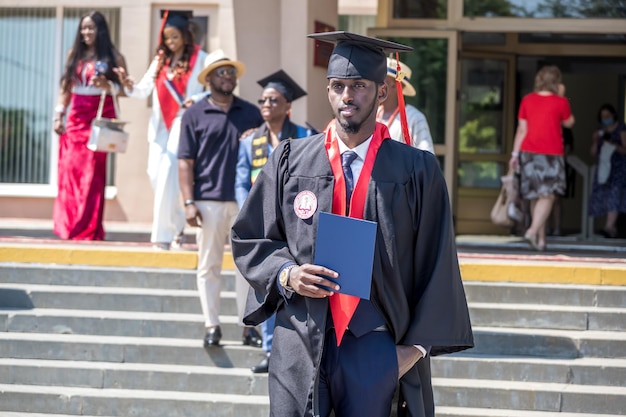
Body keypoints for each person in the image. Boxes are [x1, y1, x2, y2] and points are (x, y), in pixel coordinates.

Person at [231, 31, 473, 417]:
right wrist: (287, 274)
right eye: (338, 86)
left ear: (381, 92)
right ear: (328, 91)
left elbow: (438, 261)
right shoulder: (291, 160)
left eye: (359, 86)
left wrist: (411, 352)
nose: (347, 96)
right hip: (300, 342)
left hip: (374, 347)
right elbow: (250, 236)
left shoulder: (415, 170)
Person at [178, 50, 263, 348]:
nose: (228, 77)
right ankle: (211, 325)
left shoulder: (252, 113)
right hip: (207, 202)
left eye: (231, 72)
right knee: (208, 265)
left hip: (244, 202)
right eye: (221, 72)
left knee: (246, 268)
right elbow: (185, 161)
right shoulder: (193, 114)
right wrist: (188, 202)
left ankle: (247, 327)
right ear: (209, 78)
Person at [235, 69, 313, 373]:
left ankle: (298, 348)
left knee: (293, 284)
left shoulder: (305, 136)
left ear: (287, 105)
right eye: (263, 100)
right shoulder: (249, 142)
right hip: (261, 228)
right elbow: (241, 181)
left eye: (273, 99)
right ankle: (270, 349)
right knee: (266, 284)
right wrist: (251, 213)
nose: (266, 104)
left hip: (296, 225)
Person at [114, 11, 208, 250]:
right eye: (167, 38)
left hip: (183, 122)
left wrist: (196, 98)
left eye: (175, 37)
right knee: (157, 177)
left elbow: (212, 90)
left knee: (167, 170)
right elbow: (143, 89)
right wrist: (129, 85)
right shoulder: (160, 60)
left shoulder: (201, 58)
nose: (170, 42)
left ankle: (161, 237)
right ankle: (177, 228)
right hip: (159, 127)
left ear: (186, 36)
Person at [52, 11, 127, 240]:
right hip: (75, 120)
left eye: (91, 28)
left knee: (92, 177)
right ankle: (69, 227)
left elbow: (125, 90)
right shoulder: (74, 54)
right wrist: (58, 115)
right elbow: (66, 88)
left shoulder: (114, 57)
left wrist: (107, 85)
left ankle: (89, 230)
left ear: (101, 30)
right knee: (69, 173)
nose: (86, 32)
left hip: (98, 122)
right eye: (83, 28)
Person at [509, 65, 575, 251]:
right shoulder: (560, 102)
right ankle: (532, 232)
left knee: (536, 196)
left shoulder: (527, 100)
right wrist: (562, 96)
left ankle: (541, 240)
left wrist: (515, 154)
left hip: (528, 152)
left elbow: (522, 130)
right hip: (551, 153)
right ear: (557, 82)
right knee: (548, 195)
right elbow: (569, 122)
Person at [376, 57, 434, 153]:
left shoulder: (415, 118)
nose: (377, 87)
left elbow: (427, 158)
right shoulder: (371, 113)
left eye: (382, 83)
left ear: (396, 86)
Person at [588, 103, 626, 238]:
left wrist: (613, 144)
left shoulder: (621, 129)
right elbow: (593, 153)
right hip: (604, 170)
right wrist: (595, 140)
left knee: (615, 196)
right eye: (603, 116)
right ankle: (611, 228)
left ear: (613, 115)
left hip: (618, 169)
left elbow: (625, 150)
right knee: (605, 196)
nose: (605, 118)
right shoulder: (600, 132)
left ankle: (609, 226)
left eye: (608, 116)